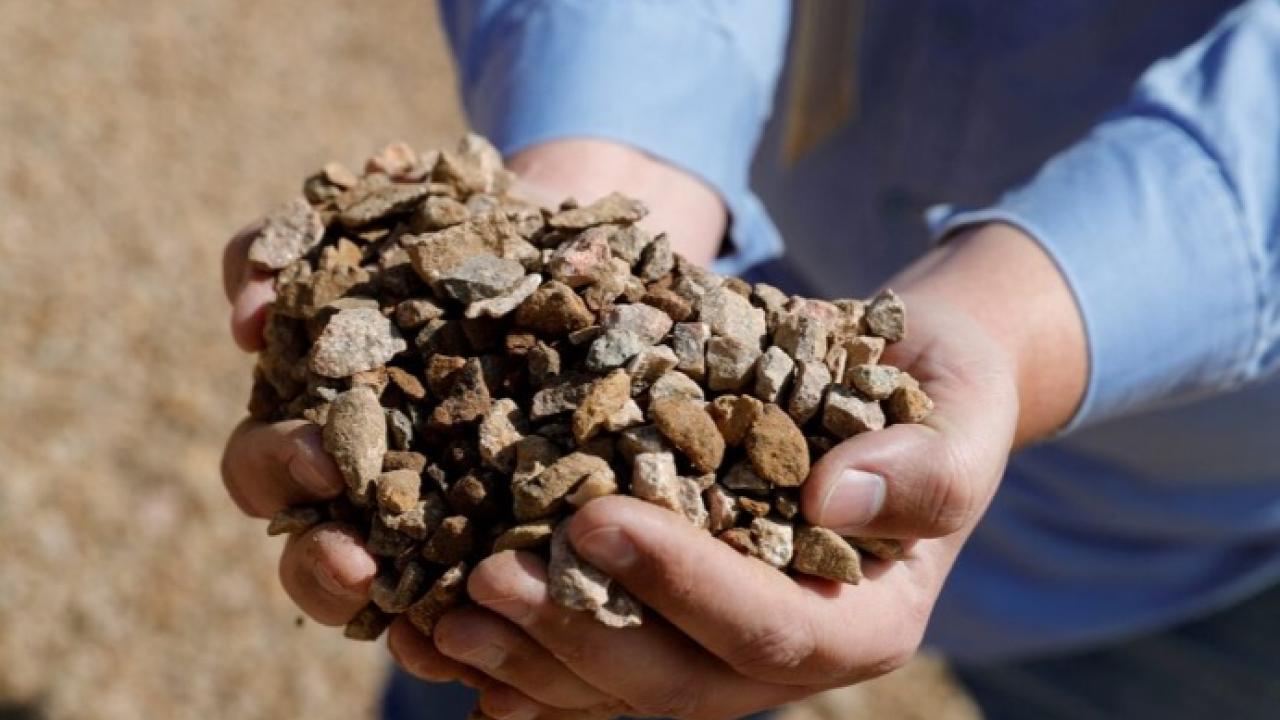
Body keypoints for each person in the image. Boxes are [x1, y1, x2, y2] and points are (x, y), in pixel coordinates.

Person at [220, 1, 1280, 718]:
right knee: (513, 639)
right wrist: (610, 162)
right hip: (742, 257)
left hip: (1186, 529)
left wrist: (1020, 318)